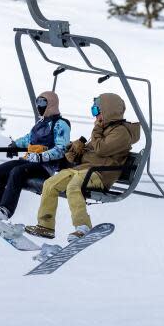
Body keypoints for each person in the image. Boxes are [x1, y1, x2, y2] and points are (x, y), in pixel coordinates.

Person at [25, 93, 137, 241]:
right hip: (84, 170)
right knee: (50, 184)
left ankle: (83, 227)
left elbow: (101, 150)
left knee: (73, 187)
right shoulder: (104, 129)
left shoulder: (121, 132)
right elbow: (92, 151)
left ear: (108, 111)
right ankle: (45, 226)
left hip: (100, 174)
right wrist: (76, 150)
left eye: (96, 111)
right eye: (93, 111)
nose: (95, 116)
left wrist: (96, 130)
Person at [0, 91, 70, 221]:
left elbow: (61, 149)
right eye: (37, 102)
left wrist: (41, 157)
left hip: (44, 166)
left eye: (42, 102)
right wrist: (15, 145)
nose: (39, 106)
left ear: (51, 104)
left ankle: (5, 210)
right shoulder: (40, 123)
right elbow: (28, 138)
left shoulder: (60, 124)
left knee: (17, 172)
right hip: (29, 160)